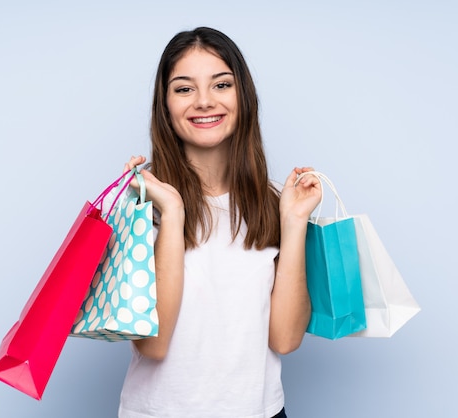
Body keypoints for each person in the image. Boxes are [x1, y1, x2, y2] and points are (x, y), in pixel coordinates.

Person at [118, 27, 321, 418]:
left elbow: (285, 338)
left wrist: (294, 224)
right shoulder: (142, 201)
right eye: (184, 89)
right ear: (165, 104)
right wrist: (174, 213)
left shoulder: (276, 200)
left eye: (221, 84)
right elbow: (153, 345)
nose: (205, 102)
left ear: (242, 96)